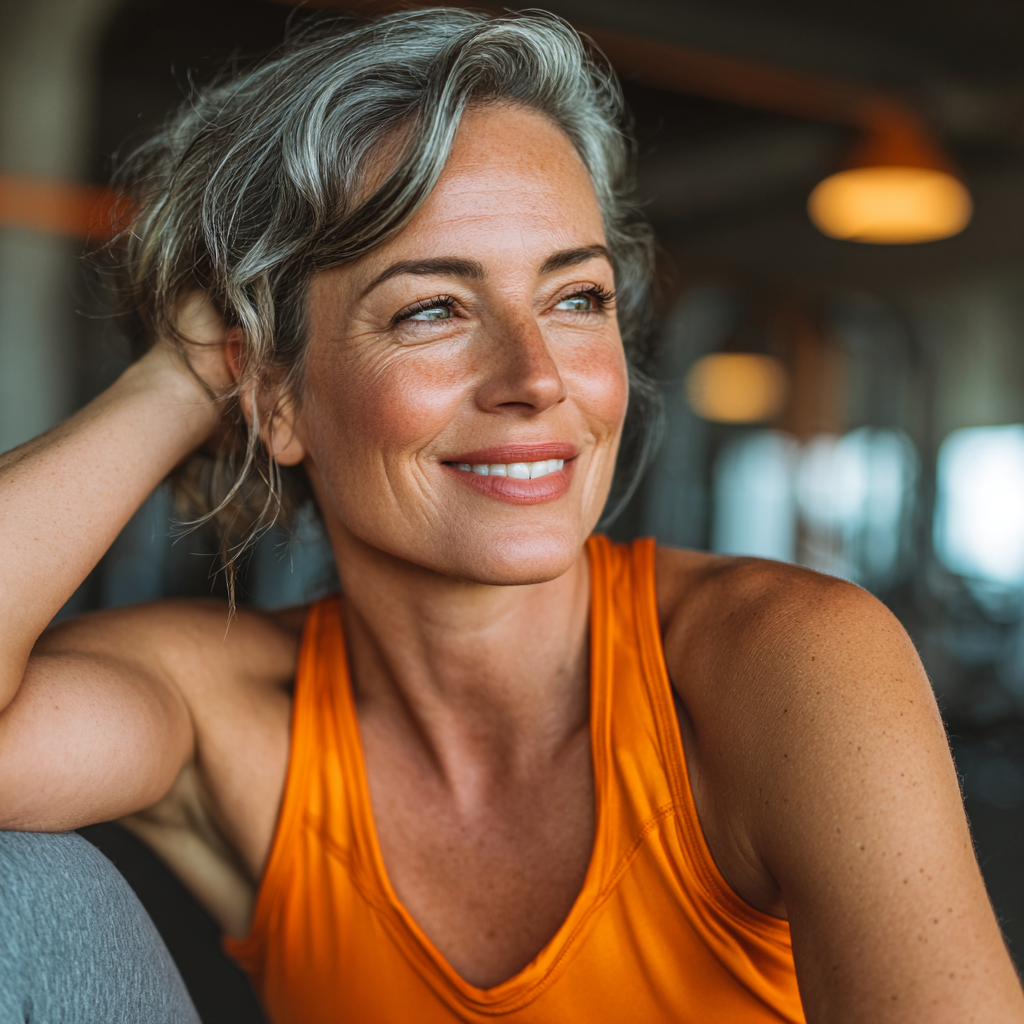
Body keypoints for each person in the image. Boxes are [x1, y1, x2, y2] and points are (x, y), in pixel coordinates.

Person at [0, 9, 1021, 1024]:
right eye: (432, 308)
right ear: (275, 398)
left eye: (576, 298)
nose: (536, 377)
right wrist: (174, 386)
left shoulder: (781, 665)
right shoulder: (230, 716)